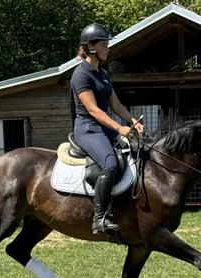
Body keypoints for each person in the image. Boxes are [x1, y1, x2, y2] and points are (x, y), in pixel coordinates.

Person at [71, 23, 144, 234]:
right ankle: (99, 218)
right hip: (88, 129)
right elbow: (94, 110)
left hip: (103, 128)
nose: (107, 48)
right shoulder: (81, 75)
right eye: (104, 45)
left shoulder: (102, 73)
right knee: (110, 165)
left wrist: (133, 121)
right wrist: (119, 128)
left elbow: (116, 105)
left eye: (107, 45)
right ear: (91, 47)